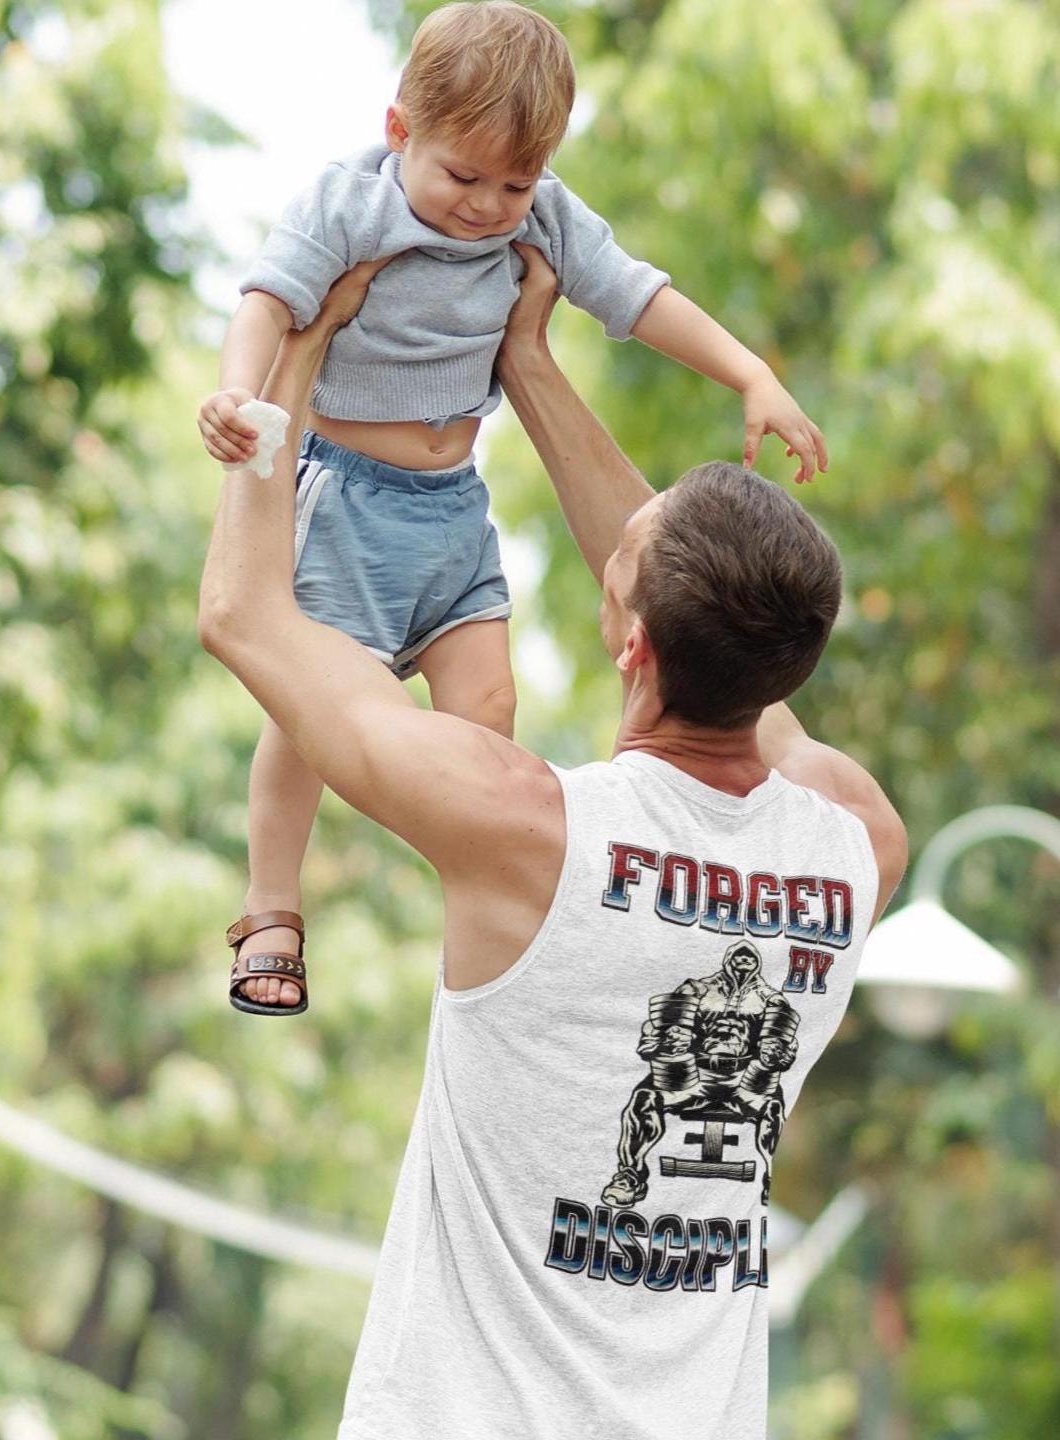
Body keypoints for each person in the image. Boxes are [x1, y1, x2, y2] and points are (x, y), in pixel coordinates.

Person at [198, 248, 905, 1440]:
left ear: (632, 645)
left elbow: (242, 613)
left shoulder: (527, 829)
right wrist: (524, 359)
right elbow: (724, 645)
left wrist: (302, 356)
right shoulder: (855, 848)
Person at [195, 1, 827, 1009]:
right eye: (463, 176)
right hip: (350, 500)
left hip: (454, 506)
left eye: (516, 183)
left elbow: (634, 294)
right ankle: (271, 903)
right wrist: (237, 395)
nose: (488, 206)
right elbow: (267, 301)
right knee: (311, 702)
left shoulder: (541, 215)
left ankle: (488, 911)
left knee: (491, 707)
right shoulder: (349, 201)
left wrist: (750, 373)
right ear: (401, 129)